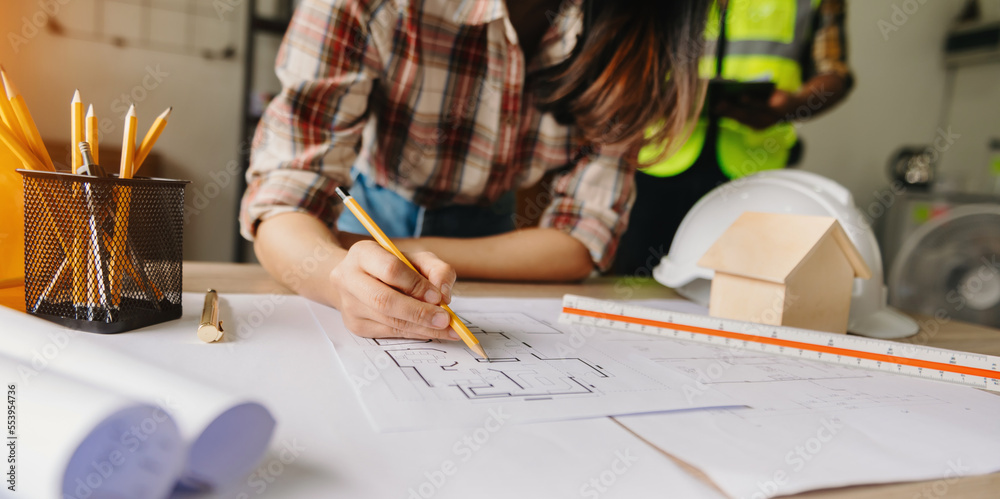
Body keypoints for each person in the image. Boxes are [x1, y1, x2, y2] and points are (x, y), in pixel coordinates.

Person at [240, 0, 713, 340]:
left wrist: (402, 253)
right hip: (364, 223)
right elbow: (283, 204)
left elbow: (581, 240)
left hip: (497, 241)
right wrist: (335, 272)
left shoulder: (636, 30)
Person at [613, 0, 854, 275]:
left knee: (742, 290)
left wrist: (793, 105)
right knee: (635, 285)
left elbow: (835, 71)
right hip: (656, 163)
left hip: (756, 168)